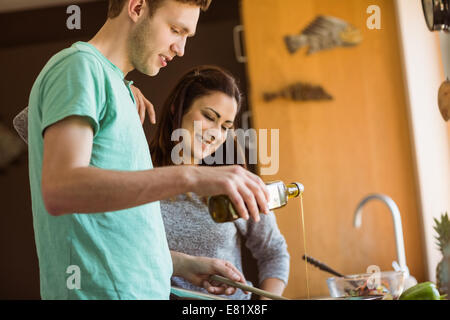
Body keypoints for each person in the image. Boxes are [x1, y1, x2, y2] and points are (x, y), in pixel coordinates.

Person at [27, 0, 271, 299]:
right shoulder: (79, 67)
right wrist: (190, 176)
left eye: (187, 36)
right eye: (175, 29)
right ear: (137, 7)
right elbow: (60, 189)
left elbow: (115, 228)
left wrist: (180, 264)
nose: (180, 49)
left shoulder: (114, 85)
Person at [150, 65, 290, 299]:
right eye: (209, 117)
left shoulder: (232, 184)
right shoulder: (138, 178)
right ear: (177, 108)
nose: (216, 133)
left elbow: (274, 253)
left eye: (225, 126)